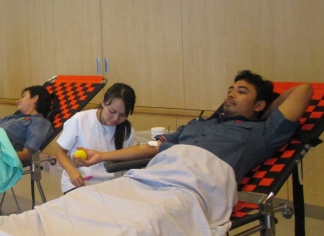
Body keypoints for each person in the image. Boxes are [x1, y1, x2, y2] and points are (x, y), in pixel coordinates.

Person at [77, 70, 313, 183]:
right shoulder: (198, 125)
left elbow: (303, 90)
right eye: (230, 90)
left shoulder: (261, 133)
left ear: (260, 104)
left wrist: (262, 113)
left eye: (242, 92)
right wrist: (102, 156)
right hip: (155, 176)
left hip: (193, 186)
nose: (231, 94)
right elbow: (152, 146)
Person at [56, 83, 136, 193]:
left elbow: (132, 159)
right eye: (112, 111)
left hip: (111, 185)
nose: (115, 118)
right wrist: (72, 172)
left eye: (122, 115)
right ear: (103, 102)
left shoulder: (127, 130)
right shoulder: (80, 120)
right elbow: (60, 151)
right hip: (80, 183)